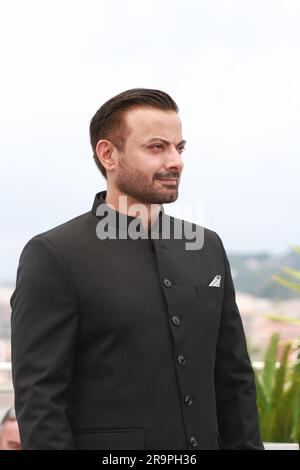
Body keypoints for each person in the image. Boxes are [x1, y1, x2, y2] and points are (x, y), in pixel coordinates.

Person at [10, 88, 263, 450]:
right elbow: (41, 399)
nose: (175, 161)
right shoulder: (54, 254)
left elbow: (234, 379)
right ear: (108, 154)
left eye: (180, 147)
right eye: (157, 147)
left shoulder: (207, 247)